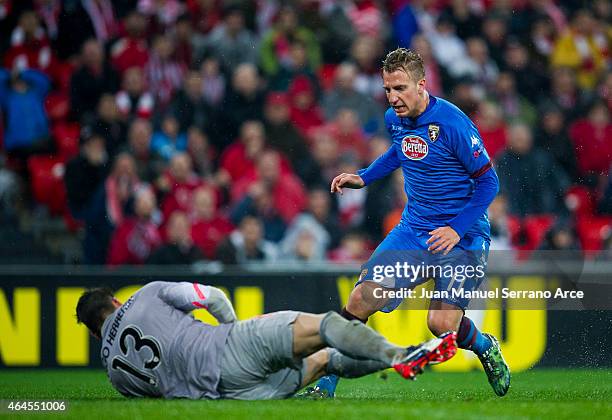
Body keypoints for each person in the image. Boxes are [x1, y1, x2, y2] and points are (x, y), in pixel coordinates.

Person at [310, 48, 510, 398]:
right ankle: (326, 383)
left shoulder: (452, 123)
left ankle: (484, 346)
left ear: (422, 84)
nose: (393, 97)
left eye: (400, 88)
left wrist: (456, 229)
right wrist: (364, 176)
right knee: (361, 298)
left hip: (462, 236)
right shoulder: (394, 118)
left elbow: (489, 182)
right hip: (415, 229)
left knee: (441, 325)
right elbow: (401, 150)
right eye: (388, 89)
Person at [75, 281, 458, 399]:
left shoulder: (116, 377)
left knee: (325, 361)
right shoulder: (147, 294)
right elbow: (214, 298)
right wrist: (231, 330)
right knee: (326, 326)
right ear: (115, 301)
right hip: (229, 348)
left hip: (234, 395)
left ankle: (410, 356)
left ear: (96, 333)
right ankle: (401, 355)